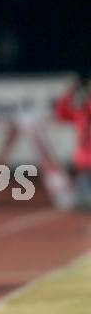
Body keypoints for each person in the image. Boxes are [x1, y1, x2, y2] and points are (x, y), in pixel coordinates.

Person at [56, 70, 91, 210]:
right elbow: (62, 113)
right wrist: (70, 92)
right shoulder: (81, 114)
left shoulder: (83, 112)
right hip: (83, 160)